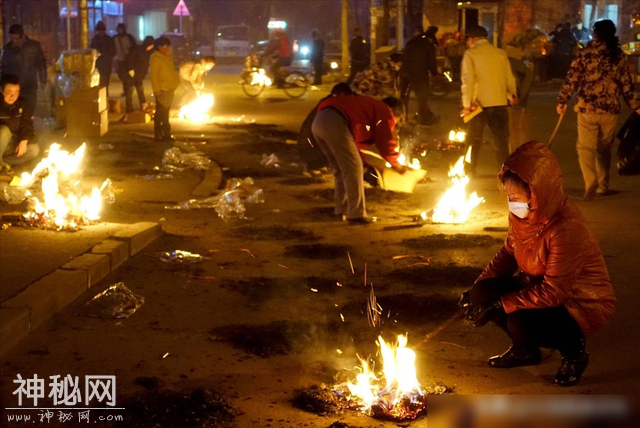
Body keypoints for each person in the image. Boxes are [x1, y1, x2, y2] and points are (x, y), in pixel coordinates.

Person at [460, 141, 616, 387]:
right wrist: (477, 288)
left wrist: (501, 304)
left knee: (519, 320)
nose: (512, 204)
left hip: (578, 301)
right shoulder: (524, 216)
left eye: (516, 197)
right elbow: (509, 252)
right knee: (482, 293)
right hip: (536, 286)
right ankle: (525, 351)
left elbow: (554, 293)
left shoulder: (566, 228)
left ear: (538, 194)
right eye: (508, 197)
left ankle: (574, 352)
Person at [557, 19, 640, 201]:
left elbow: (572, 77)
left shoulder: (585, 53)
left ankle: (590, 180)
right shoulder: (617, 55)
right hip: (610, 109)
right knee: (604, 148)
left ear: (595, 34)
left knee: (585, 148)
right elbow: (626, 84)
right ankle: (603, 185)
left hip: (587, 107)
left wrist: (563, 99)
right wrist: (636, 106)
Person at [311, 95, 407, 224]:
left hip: (319, 121)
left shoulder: (368, 109)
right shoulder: (385, 111)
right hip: (336, 122)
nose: (394, 125)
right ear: (395, 112)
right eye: (397, 120)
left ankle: (341, 210)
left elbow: (352, 146)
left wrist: (366, 164)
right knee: (353, 169)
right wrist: (397, 166)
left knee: (341, 169)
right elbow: (386, 143)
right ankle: (356, 214)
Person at [461, 26, 518, 175]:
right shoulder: (500, 53)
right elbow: (509, 77)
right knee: (501, 141)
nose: (467, 43)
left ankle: (469, 171)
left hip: (478, 105)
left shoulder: (470, 54)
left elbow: (468, 82)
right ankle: (506, 173)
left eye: (468, 40)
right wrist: (512, 94)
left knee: (474, 140)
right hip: (499, 103)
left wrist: (466, 105)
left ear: (473, 39)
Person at [298, 83, 354, 175]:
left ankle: (321, 164)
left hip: (314, 143)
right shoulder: (329, 108)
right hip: (310, 147)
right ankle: (314, 165)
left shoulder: (328, 103)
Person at [0, 24, 47, 118]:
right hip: (13, 84)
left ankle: (27, 127)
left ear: (23, 36)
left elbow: (41, 63)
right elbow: (3, 67)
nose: (15, 41)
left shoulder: (33, 46)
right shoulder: (7, 49)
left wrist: (43, 79)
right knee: (14, 108)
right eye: (12, 38)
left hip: (29, 84)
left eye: (17, 38)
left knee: (29, 108)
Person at [0, 75, 40, 172]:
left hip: (11, 144)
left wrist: (24, 140)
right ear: (1, 90)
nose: (13, 96)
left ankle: (3, 162)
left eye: (16, 92)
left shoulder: (22, 103)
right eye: (9, 92)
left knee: (34, 149)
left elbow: (26, 123)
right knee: (4, 130)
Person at [400, 27, 439, 126]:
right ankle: (424, 120)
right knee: (422, 98)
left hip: (405, 72)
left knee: (404, 97)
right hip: (420, 74)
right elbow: (431, 61)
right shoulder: (428, 45)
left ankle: (401, 118)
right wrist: (435, 73)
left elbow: (404, 55)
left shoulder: (411, 42)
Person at [150, 37, 180, 141]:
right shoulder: (156, 59)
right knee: (161, 114)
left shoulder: (167, 57)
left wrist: (176, 81)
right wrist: (156, 90)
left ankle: (162, 134)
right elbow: (153, 75)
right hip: (162, 89)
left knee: (163, 113)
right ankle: (162, 134)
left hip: (169, 88)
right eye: (166, 46)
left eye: (168, 46)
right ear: (159, 47)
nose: (168, 48)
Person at [125, 36, 155, 110]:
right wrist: (130, 69)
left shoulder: (148, 51)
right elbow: (130, 59)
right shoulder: (138, 50)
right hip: (132, 74)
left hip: (139, 75)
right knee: (130, 92)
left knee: (140, 91)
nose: (152, 47)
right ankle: (129, 108)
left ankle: (143, 107)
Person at [113, 23, 137, 113]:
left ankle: (129, 104)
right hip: (120, 62)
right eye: (119, 29)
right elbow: (112, 49)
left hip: (129, 62)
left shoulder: (129, 37)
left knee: (129, 83)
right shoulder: (115, 38)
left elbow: (134, 48)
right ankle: (126, 92)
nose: (120, 31)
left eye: (121, 29)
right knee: (124, 80)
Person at [90, 21, 116, 94]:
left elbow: (113, 51)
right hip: (99, 64)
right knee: (100, 83)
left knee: (104, 83)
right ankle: (102, 98)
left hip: (105, 64)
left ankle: (105, 97)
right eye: (99, 30)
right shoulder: (97, 39)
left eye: (101, 30)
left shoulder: (107, 39)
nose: (100, 32)